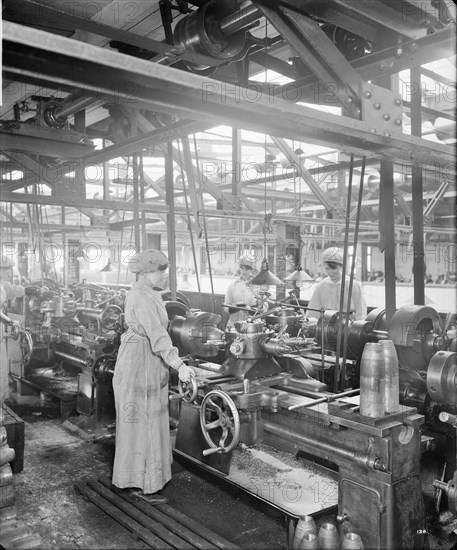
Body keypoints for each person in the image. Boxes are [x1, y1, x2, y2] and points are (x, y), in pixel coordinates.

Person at [112, 249, 195, 504]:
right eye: (162, 271)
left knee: (148, 421)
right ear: (148, 272)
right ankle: (143, 484)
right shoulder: (142, 296)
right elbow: (157, 335)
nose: (165, 276)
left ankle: (147, 479)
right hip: (139, 362)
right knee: (141, 423)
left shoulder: (150, 294)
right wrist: (178, 365)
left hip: (146, 359)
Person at [306, 246, 367, 321]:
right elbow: (313, 310)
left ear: (341, 266)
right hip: (328, 325)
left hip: (349, 325)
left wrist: (358, 328)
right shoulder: (321, 287)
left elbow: (361, 310)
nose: (330, 272)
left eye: (334, 268)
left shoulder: (353, 285)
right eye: (327, 269)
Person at [0, 258, 25, 404]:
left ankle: (1, 402)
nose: (8, 272)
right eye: (5, 269)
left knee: (2, 364)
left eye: (9, 269)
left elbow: (16, 290)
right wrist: (9, 321)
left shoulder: (3, 284)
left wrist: (35, 288)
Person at [224, 255, 258, 328]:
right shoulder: (233, 285)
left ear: (252, 269)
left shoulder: (257, 286)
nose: (244, 271)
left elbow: (264, 307)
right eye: (242, 268)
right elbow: (226, 305)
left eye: (247, 269)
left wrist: (250, 309)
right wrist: (233, 308)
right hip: (234, 324)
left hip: (252, 325)